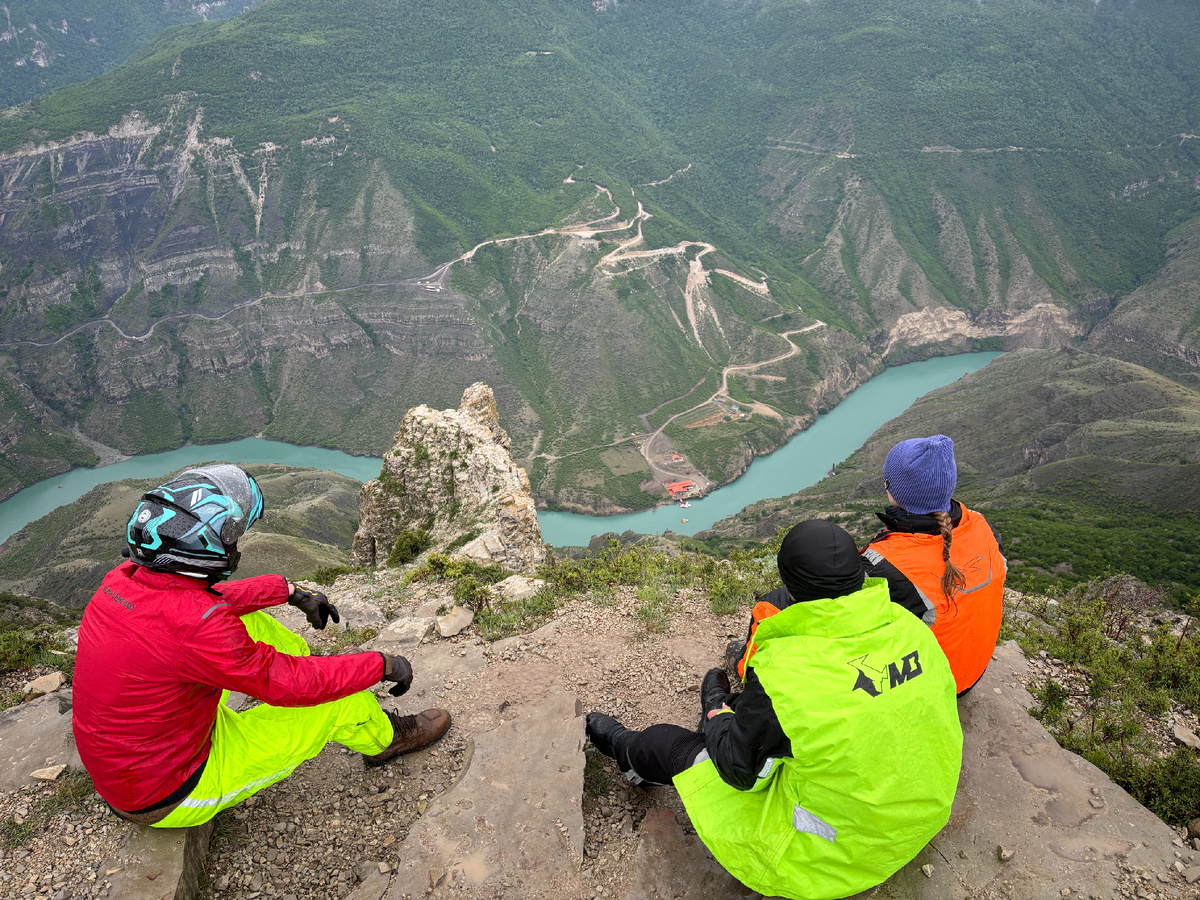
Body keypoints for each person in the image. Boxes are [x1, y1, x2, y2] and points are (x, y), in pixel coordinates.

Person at [587, 520, 962, 900]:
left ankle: (624, 752)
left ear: (788, 584)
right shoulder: (912, 629)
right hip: (919, 818)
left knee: (666, 743)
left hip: (837, 856)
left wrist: (714, 707)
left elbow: (737, 770)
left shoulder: (786, 673)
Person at [72, 464, 450, 828]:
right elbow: (219, 630)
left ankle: (315, 672)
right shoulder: (200, 628)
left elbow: (208, 602)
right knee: (336, 699)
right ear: (205, 551)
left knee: (247, 621)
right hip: (168, 792)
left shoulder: (123, 580)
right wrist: (379, 664)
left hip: (137, 759)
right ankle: (387, 740)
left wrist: (289, 591)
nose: (235, 545)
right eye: (231, 538)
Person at [860, 435, 1006, 695]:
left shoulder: (882, 563)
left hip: (938, 687)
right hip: (974, 670)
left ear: (892, 490)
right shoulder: (984, 528)